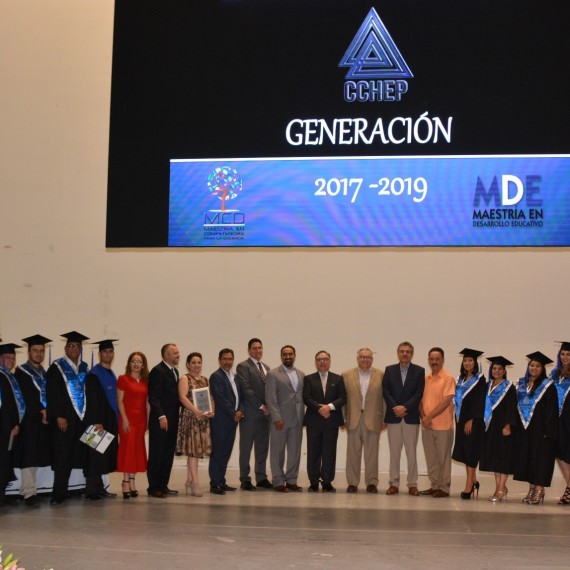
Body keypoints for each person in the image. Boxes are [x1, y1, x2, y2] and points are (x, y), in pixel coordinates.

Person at [46, 331, 90, 506]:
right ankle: (58, 493)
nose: (74, 349)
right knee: (62, 456)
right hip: (65, 420)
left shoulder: (84, 367)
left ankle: (72, 489)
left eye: (77, 346)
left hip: (81, 419)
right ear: (66, 348)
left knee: (75, 455)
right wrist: (59, 416)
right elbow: (52, 393)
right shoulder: (57, 367)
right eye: (71, 346)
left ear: (80, 349)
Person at [514, 351, 558, 504]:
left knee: (540, 460)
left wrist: (548, 431)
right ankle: (532, 488)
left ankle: (539, 490)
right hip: (526, 430)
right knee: (529, 459)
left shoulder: (548, 386)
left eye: (537, 366)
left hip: (542, 431)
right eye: (531, 365)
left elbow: (552, 411)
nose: (534, 368)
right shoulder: (522, 385)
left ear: (542, 369)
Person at [13, 335, 52, 507]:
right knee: (28, 455)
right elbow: (25, 396)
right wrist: (41, 412)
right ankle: (28, 492)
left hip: (42, 421)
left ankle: (30, 489)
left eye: (41, 351)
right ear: (29, 352)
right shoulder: (21, 372)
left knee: (36, 455)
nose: (38, 354)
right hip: (29, 421)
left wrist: (48, 413)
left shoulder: (45, 373)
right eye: (35, 351)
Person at [383, 341, 425, 496]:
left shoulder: (419, 371)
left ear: (411, 354)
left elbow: (419, 393)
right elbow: (386, 391)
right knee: (394, 452)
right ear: (398, 353)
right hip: (393, 417)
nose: (404, 354)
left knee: (411, 452)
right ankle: (393, 483)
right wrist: (396, 407)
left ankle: (412, 484)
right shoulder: (389, 370)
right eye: (402, 351)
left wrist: (405, 407)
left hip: (411, 417)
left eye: (407, 351)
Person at [342, 347, 386, 493]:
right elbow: (343, 399)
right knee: (353, 453)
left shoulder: (380, 375)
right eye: (362, 357)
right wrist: (343, 418)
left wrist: (384, 418)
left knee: (372, 454)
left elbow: (384, 399)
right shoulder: (347, 375)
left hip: (373, 419)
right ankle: (352, 483)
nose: (365, 360)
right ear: (357, 358)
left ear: (372, 359)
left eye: (368, 357)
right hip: (353, 419)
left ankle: (372, 483)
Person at [303, 350, 346, 492]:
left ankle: (327, 481)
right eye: (319, 360)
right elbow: (306, 397)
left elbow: (342, 397)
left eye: (325, 359)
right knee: (313, 452)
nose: (322, 362)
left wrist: (329, 407)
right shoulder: (308, 379)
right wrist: (320, 409)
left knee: (329, 452)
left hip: (331, 421)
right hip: (314, 421)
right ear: (315, 362)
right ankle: (314, 482)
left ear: (330, 361)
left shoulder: (338, 379)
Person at [265, 345, 305, 493]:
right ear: (281, 356)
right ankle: (278, 481)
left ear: (295, 355)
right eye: (285, 354)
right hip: (280, 420)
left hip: (297, 419)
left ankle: (291, 480)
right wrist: (276, 418)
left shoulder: (301, 374)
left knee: (295, 451)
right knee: (277, 451)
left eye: (290, 354)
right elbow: (270, 398)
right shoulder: (273, 374)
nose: (288, 357)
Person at [83, 340, 119, 501]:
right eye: (105, 351)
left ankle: (99, 488)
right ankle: (91, 490)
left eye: (110, 351)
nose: (108, 354)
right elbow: (92, 401)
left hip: (109, 420)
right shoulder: (93, 375)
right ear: (100, 354)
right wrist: (96, 421)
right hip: (97, 421)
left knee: (102, 455)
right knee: (94, 455)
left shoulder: (111, 374)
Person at [479, 356, 518, 502]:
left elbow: (512, 408)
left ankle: (501, 488)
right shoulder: (488, 386)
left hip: (503, 427)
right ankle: (499, 487)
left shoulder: (509, 387)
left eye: (499, 369)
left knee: (504, 458)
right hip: (490, 427)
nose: (496, 371)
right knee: (495, 458)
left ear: (504, 371)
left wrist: (508, 425)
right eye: (494, 368)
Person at [418, 347, 455, 498]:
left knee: (443, 458)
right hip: (427, 426)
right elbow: (419, 401)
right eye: (431, 359)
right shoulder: (426, 379)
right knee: (431, 457)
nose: (434, 362)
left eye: (437, 359)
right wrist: (423, 417)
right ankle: (434, 485)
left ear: (442, 360)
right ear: (428, 360)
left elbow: (446, 401)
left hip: (443, 426)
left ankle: (444, 488)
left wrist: (429, 417)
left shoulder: (447, 378)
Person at [236, 338, 272, 491]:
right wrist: (261, 405)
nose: (258, 351)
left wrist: (269, 407)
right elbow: (246, 389)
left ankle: (261, 477)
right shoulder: (243, 366)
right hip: (250, 414)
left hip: (266, 415)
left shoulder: (266, 367)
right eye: (254, 348)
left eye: (260, 348)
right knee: (246, 448)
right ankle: (245, 479)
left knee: (262, 447)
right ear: (249, 350)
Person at [176, 352, 214, 497]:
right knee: (194, 452)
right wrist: (196, 411)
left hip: (203, 419)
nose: (197, 365)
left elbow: (210, 397)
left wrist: (211, 411)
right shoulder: (185, 378)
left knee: (196, 451)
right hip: (191, 418)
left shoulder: (205, 379)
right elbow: (182, 397)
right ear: (187, 364)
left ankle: (190, 480)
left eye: (199, 362)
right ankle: (195, 484)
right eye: (193, 362)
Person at [452, 348, 486, 500]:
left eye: (470, 360)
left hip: (473, 421)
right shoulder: (460, 379)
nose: (467, 363)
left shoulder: (480, 380)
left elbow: (480, 401)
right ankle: (473, 480)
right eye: (465, 360)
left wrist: (471, 419)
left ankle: (468, 486)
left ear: (475, 363)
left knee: (471, 451)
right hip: (460, 420)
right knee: (465, 451)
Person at [147, 343, 181, 498]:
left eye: (177, 352)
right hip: (161, 421)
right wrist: (161, 416)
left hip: (173, 420)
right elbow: (153, 398)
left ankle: (163, 485)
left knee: (167, 454)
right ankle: (153, 487)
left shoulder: (175, 371)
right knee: (157, 454)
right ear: (166, 355)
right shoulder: (157, 371)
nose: (178, 355)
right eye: (175, 353)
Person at [208, 348, 244, 495]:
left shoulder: (235, 377)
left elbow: (241, 398)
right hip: (221, 421)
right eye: (225, 359)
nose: (227, 362)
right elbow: (220, 398)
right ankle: (214, 483)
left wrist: (241, 411)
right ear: (219, 360)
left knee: (226, 452)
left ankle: (221, 481)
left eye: (230, 359)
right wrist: (234, 413)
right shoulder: (216, 377)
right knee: (218, 452)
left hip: (233, 420)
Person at [117, 351, 149, 499]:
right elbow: (119, 401)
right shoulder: (123, 379)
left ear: (143, 365)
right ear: (129, 363)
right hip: (127, 421)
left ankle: (132, 482)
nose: (136, 364)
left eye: (139, 361)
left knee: (136, 451)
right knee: (128, 450)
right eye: (133, 361)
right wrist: (124, 419)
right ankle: (125, 482)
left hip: (141, 420)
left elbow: (147, 403)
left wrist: (147, 421)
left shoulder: (145, 381)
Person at [550, 342, 570, 505]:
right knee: (559, 453)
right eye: (563, 354)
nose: (565, 357)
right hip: (557, 420)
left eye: (568, 355)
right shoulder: (555, 374)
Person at [0, 346, 20, 508]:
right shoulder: (1, 377)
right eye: (7, 358)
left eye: (13, 358)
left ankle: (3, 495)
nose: (11, 361)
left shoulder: (9, 377)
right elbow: (4, 407)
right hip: (3, 428)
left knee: (6, 462)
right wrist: (9, 427)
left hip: (10, 428)